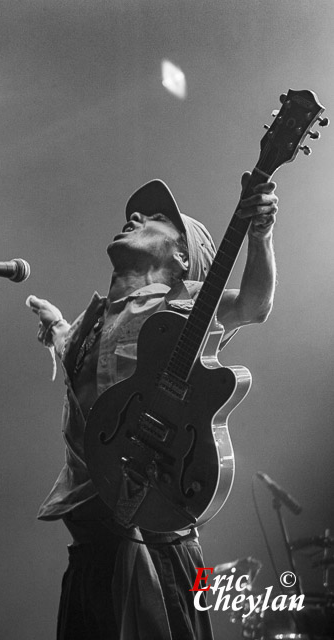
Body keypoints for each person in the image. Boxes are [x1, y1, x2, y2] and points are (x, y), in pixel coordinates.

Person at [27, 172, 278, 640]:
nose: (135, 217)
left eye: (157, 217)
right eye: (134, 215)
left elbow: (253, 304)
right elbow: (89, 383)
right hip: (89, 542)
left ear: (184, 256)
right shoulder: (91, 320)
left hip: (157, 542)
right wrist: (60, 327)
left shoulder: (184, 304)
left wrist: (260, 235)